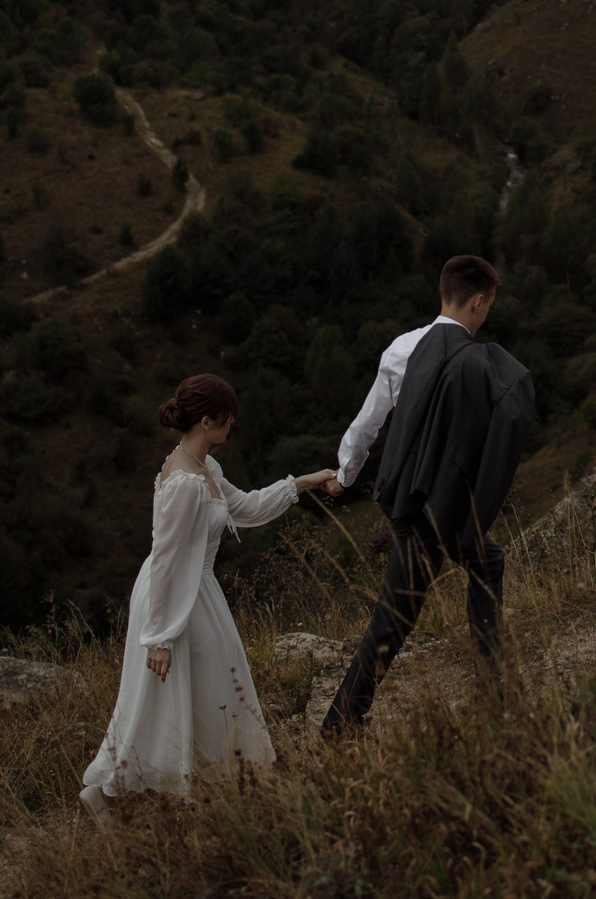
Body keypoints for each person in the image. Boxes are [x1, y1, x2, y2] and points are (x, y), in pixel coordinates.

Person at [79, 374, 341, 812]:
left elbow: (249, 507)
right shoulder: (184, 482)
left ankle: (194, 788)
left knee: (199, 687)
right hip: (175, 593)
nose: (231, 427)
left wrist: (307, 482)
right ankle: (110, 790)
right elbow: (166, 558)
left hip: (194, 589)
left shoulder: (205, 468)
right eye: (227, 420)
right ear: (206, 421)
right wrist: (159, 636)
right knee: (162, 694)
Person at [324, 255, 535, 730]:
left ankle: (492, 683)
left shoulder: (402, 349)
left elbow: (368, 423)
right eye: (488, 307)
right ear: (478, 302)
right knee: (394, 618)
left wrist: (345, 474)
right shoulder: (476, 362)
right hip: (443, 508)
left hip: (413, 501)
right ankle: (340, 720)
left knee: (486, 562)